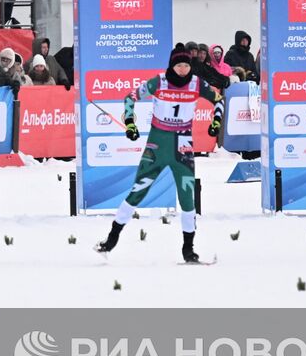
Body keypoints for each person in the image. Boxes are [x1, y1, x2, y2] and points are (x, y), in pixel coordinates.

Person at [96, 44, 225, 263]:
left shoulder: (196, 84)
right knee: (137, 192)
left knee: (187, 198)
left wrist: (216, 121)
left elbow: (219, 99)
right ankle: (111, 239)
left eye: (186, 65)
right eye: (179, 65)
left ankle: (188, 249)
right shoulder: (159, 81)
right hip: (156, 145)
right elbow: (130, 98)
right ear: (172, 65)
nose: (183, 69)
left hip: (182, 147)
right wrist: (130, 124)